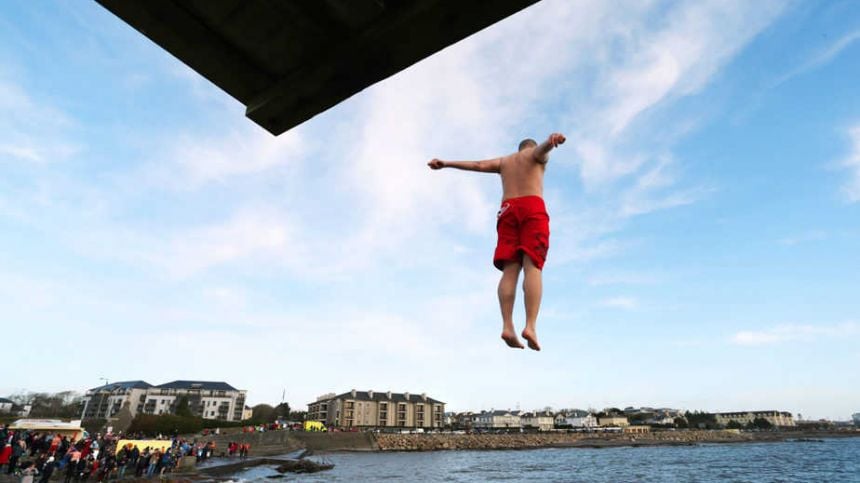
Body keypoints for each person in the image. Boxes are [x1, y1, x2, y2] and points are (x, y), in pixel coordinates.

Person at [428, 133, 566, 351]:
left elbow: (478, 164)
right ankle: (530, 326)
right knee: (533, 266)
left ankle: (507, 326)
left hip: (507, 210)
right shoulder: (534, 155)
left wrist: (446, 163)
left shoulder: (504, 161)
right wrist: (550, 143)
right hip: (532, 207)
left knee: (510, 270)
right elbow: (540, 152)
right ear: (529, 148)